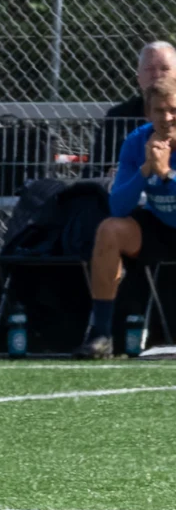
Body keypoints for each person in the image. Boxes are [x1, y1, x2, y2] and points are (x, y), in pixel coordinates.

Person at [77, 75, 176, 358]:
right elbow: (118, 206)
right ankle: (101, 334)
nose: (166, 117)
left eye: (173, 110)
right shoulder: (137, 141)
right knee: (111, 229)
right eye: (159, 110)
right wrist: (146, 169)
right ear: (147, 113)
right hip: (161, 225)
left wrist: (167, 174)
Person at [100, 42, 176, 163]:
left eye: (164, 69)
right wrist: (110, 174)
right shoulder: (118, 116)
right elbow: (93, 168)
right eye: (149, 69)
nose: (156, 75)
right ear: (138, 77)